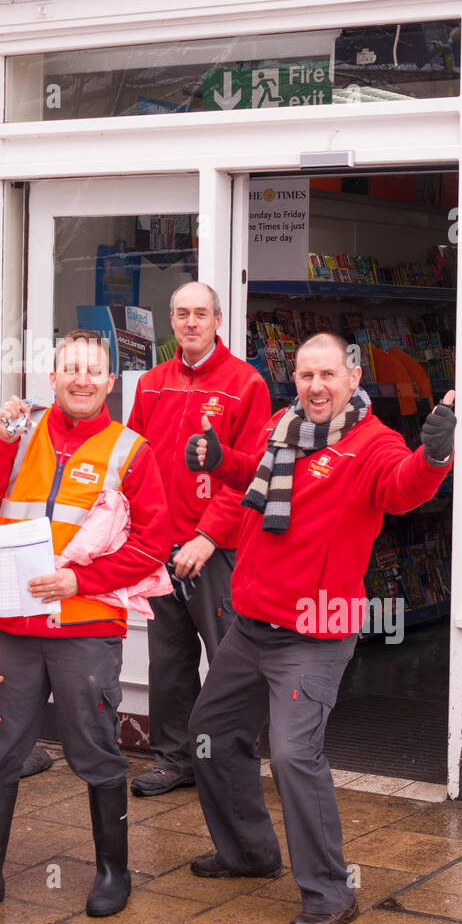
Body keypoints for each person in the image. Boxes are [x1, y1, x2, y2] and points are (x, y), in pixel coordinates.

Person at [184, 333, 456, 924]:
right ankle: (247, 852)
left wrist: (434, 458)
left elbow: (403, 487)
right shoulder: (282, 428)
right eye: (306, 375)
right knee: (208, 734)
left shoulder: (373, 445)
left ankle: (332, 892)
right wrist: (217, 458)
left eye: (328, 375)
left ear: (353, 378)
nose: (315, 387)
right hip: (252, 622)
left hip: (315, 630)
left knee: (292, 755)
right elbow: (248, 475)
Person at [0, 329, 170, 924]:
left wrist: (82, 582)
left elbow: (154, 545)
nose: (81, 380)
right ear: (52, 377)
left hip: (88, 629)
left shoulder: (131, 451)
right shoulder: (22, 436)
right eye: (70, 369)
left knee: (96, 752)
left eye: (93, 371)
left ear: (110, 382)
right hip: (16, 628)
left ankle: (112, 872)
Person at [127, 283, 270, 797]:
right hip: (159, 548)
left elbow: (251, 474)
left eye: (201, 314)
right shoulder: (150, 384)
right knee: (168, 663)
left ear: (218, 320)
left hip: (216, 551)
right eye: (182, 313)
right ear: (171, 320)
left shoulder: (245, 383)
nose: (191, 323)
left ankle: (229, 765)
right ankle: (175, 761)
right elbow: (133, 462)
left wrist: (208, 537)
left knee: (230, 661)